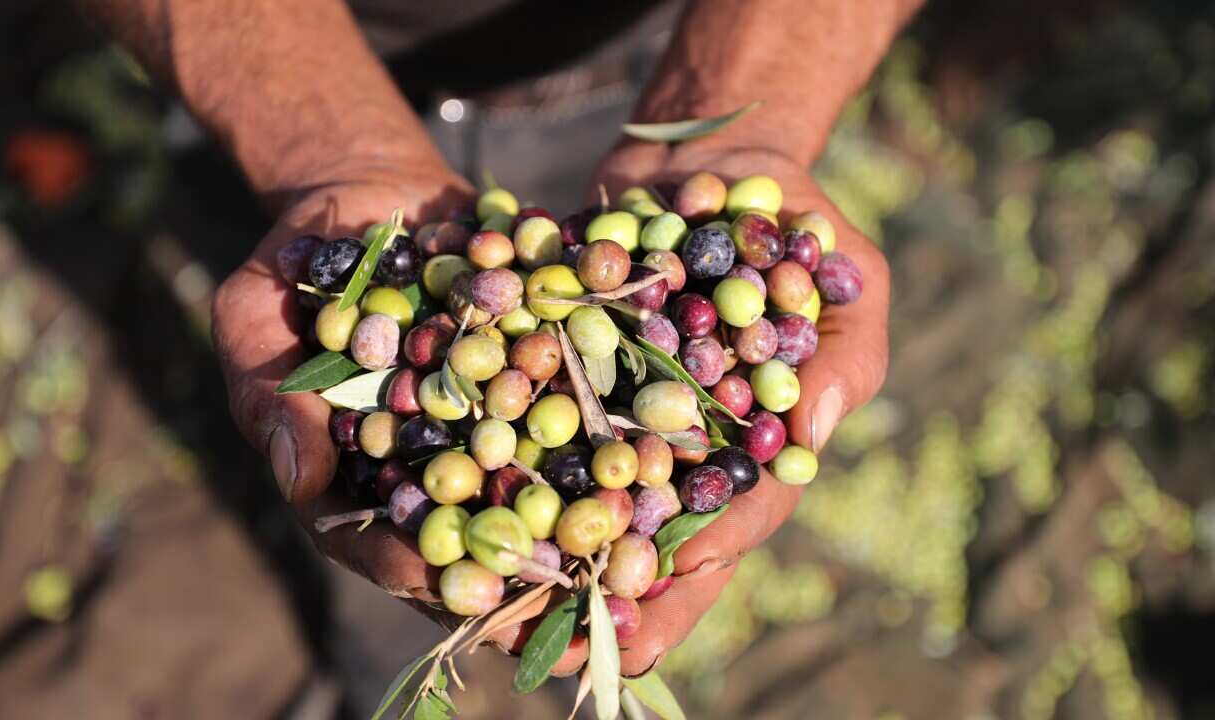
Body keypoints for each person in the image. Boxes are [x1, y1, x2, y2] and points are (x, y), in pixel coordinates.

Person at [80, 0, 903, 679]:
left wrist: (750, 102)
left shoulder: (650, 323)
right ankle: (375, 655)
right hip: (258, 60)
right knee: (364, 523)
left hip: (651, 62)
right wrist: (317, 146)